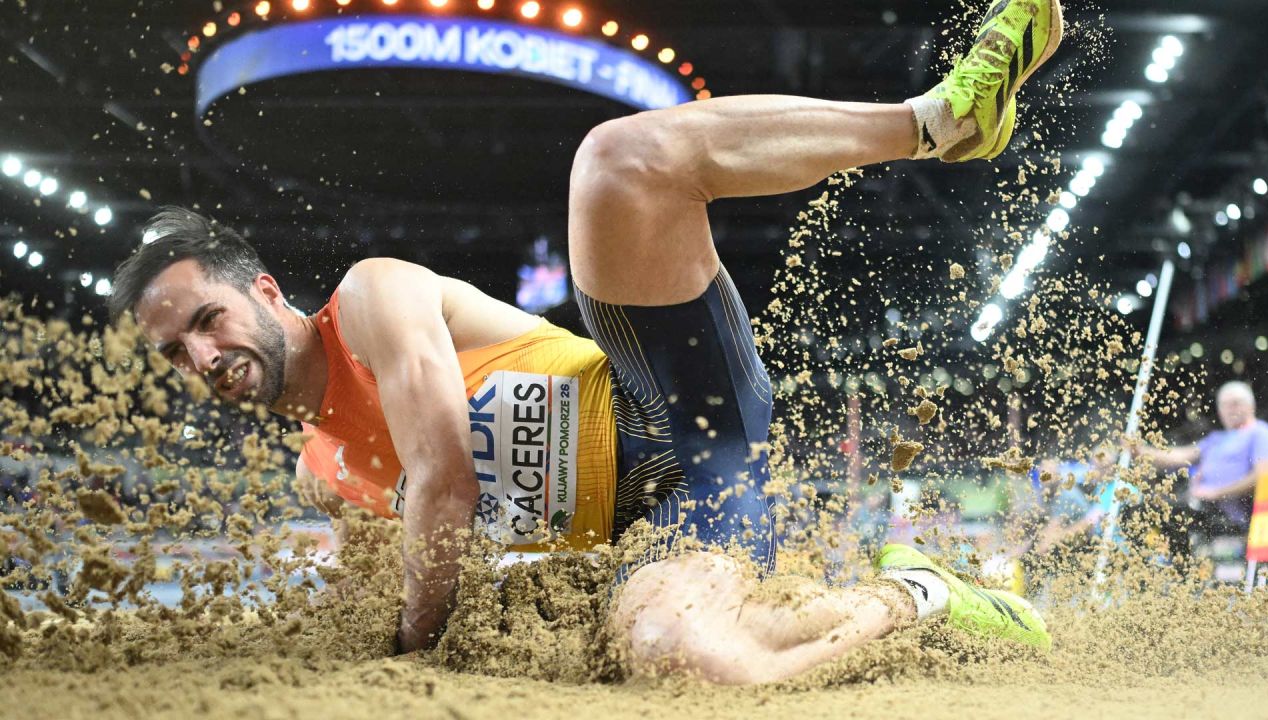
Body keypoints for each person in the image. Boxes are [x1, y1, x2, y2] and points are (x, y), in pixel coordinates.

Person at [107, 0, 1061, 684]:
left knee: (615, 161)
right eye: (172, 353)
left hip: (676, 404)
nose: (199, 357)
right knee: (680, 657)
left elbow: (445, 486)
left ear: (264, 292)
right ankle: (921, 595)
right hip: (661, 530)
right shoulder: (323, 474)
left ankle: (936, 121)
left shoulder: (370, 299)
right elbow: (429, 587)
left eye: (206, 319)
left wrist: (404, 653)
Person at [1133, 381, 1268, 537]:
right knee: (1139, 513)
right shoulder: (1216, 439)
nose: (1230, 410)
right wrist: (1139, 451)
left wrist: (1216, 493)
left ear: (1251, 406)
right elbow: (1179, 456)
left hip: (1239, 519)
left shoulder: (1261, 432)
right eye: (1224, 405)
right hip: (1204, 510)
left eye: (1235, 403)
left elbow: (1265, 476)